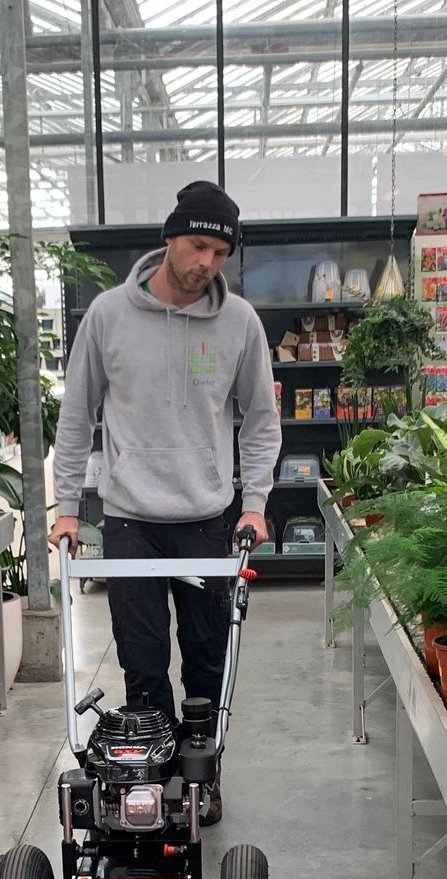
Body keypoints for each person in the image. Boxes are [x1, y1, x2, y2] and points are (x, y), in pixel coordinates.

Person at [48, 180, 281, 825]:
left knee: (207, 662)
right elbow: (76, 417)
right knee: (143, 664)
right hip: (130, 525)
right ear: (170, 239)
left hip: (208, 522)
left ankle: (201, 779)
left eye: (220, 252)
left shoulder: (241, 325)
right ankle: (149, 790)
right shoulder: (107, 317)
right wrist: (67, 507)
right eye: (198, 244)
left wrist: (254, 503)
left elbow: (261, 420)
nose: (207, 262)